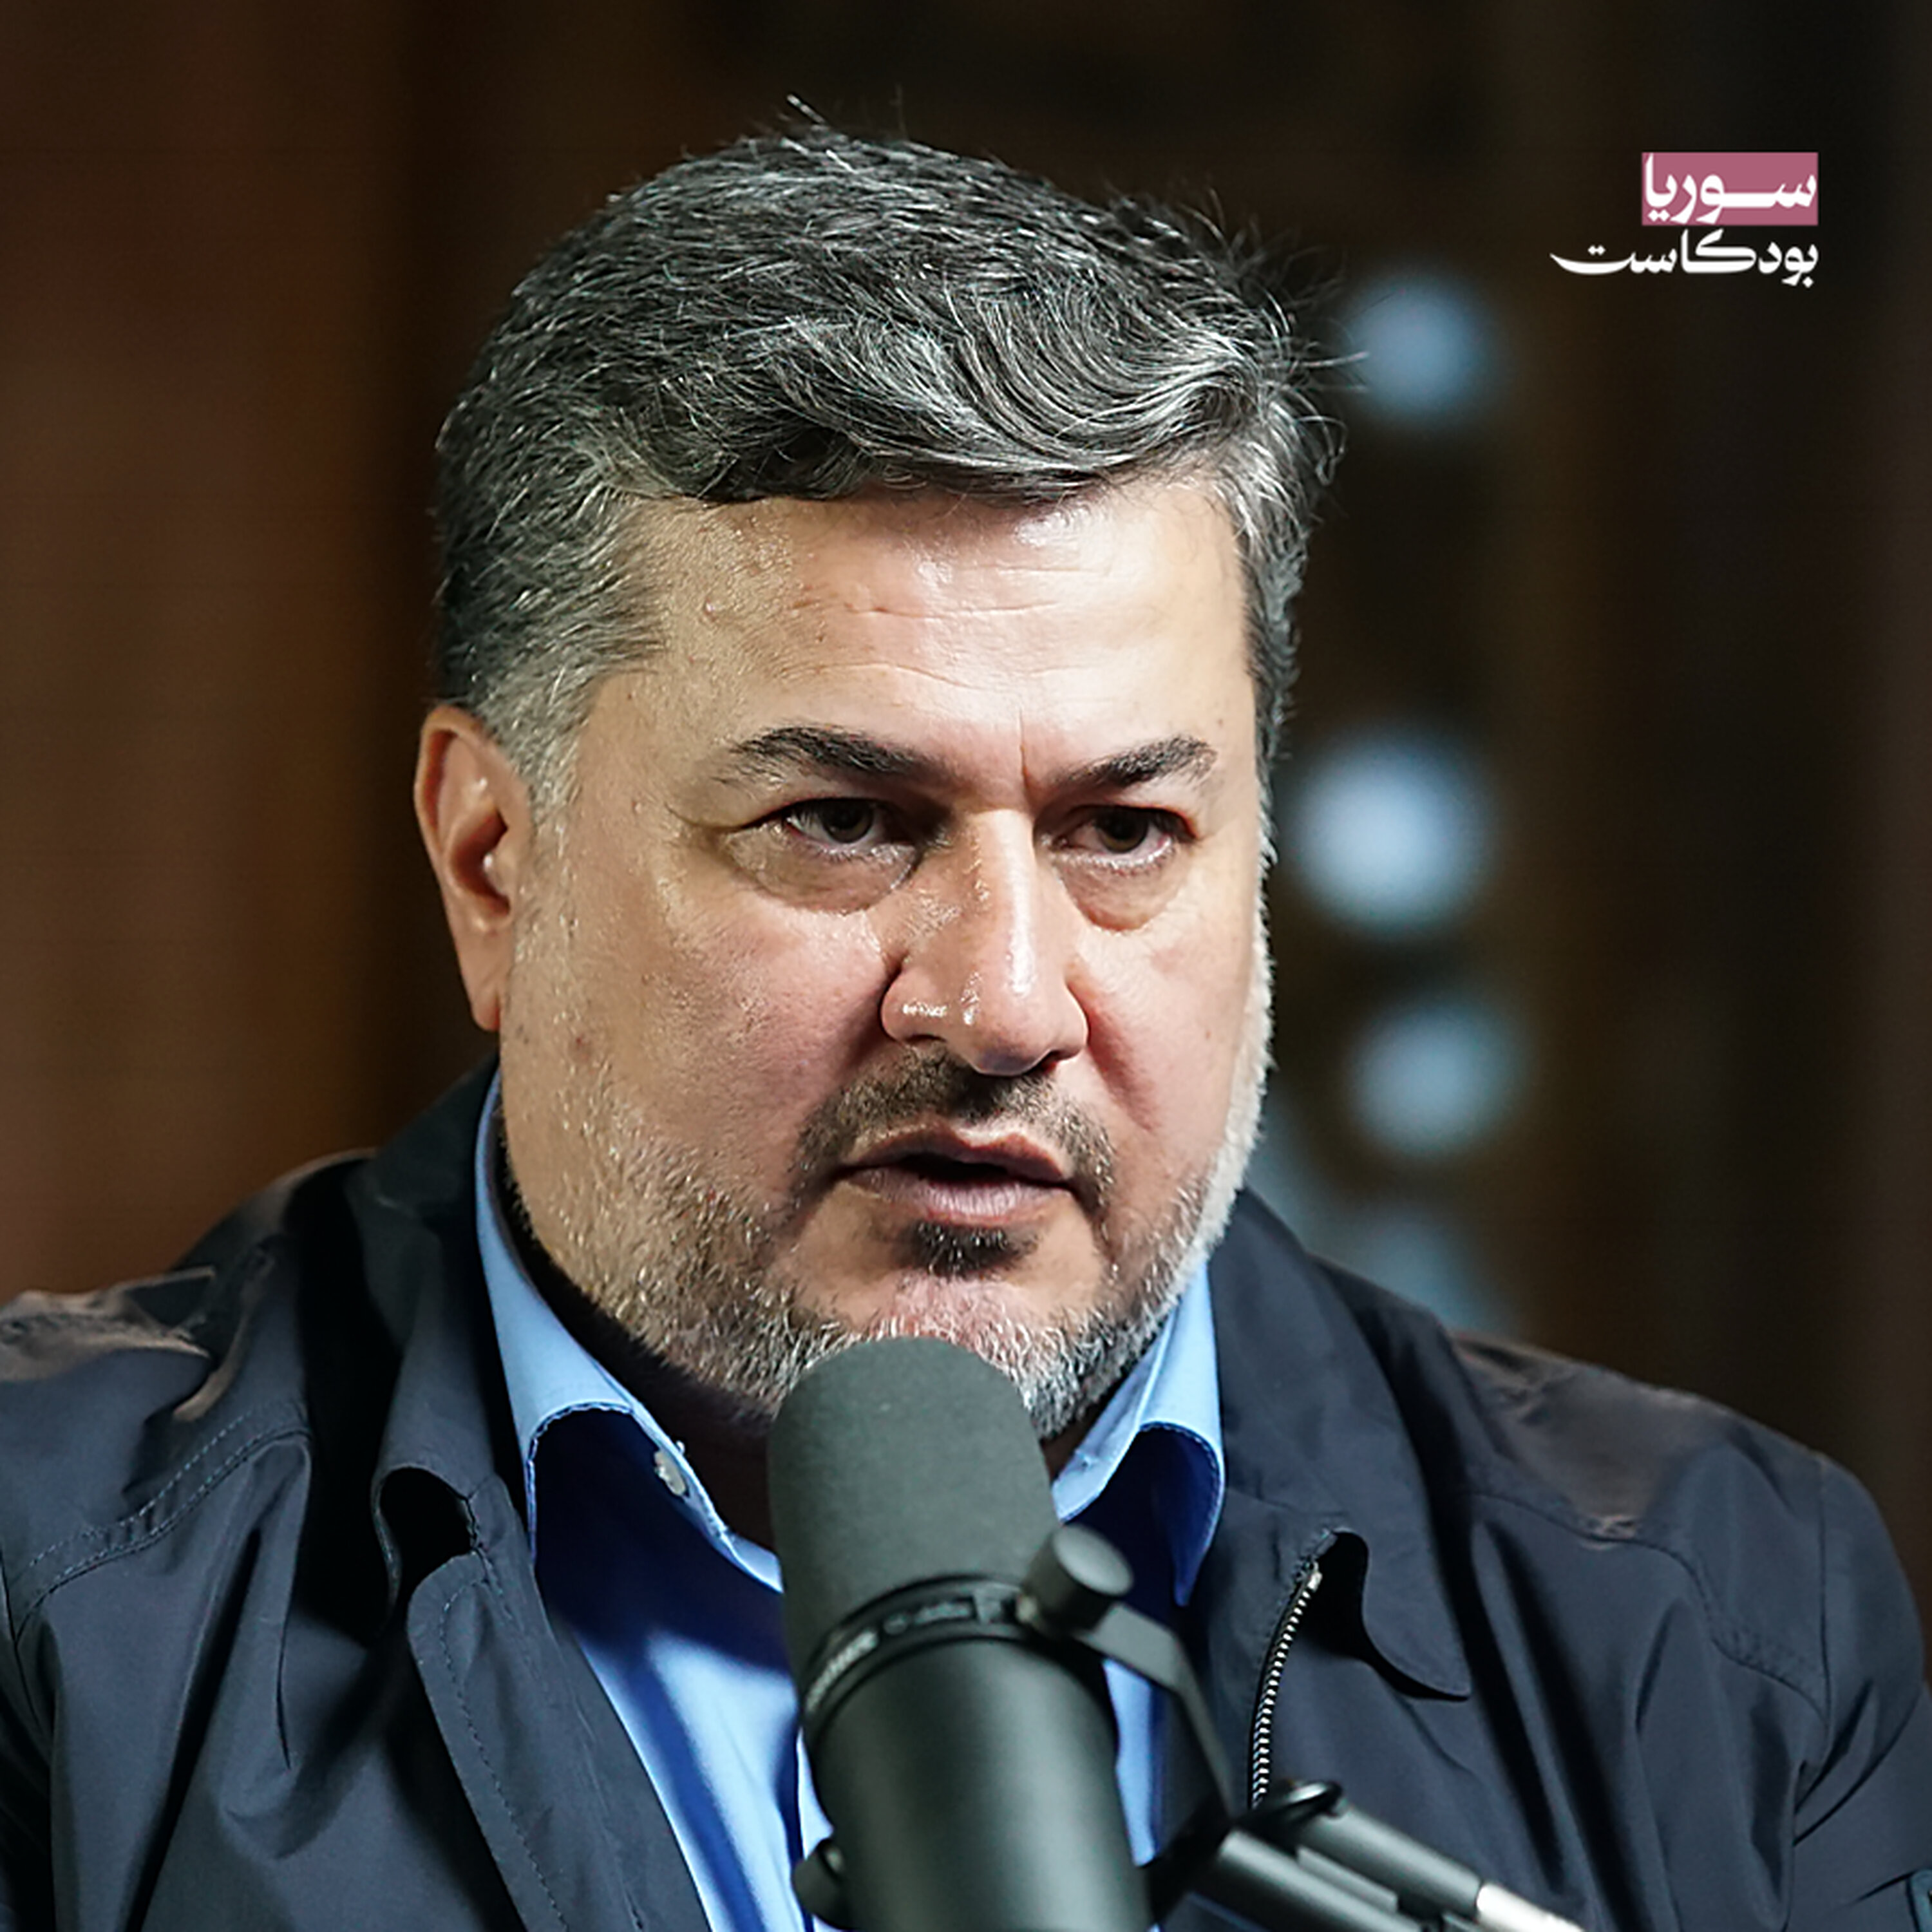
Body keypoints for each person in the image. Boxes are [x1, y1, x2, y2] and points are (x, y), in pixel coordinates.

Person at [0, 126, 1925, 1932]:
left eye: (1124, 832)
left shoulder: (1724, 1627)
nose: (1005, 1007)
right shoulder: (46, 1603)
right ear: (495, 865)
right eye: (844, 822)